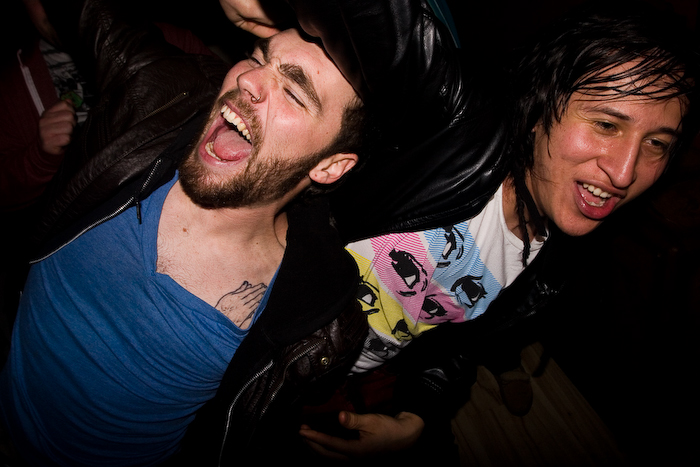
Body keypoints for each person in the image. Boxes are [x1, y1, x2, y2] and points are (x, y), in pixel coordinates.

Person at [216, 0, 699, 463]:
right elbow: (380, 17)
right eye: (607, 124)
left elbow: (459, 342)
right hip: (247, 342)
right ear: (541, 106)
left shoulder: (561, 250)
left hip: (345, 380)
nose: (624, 172)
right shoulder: (454, 120)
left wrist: (421, 413)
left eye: (657, 143)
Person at [0, 0, 379, 464]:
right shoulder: (153, 102)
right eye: (257, 58)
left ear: (331, 166)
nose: (248, 80)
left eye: (295, 93)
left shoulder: (312, 316)